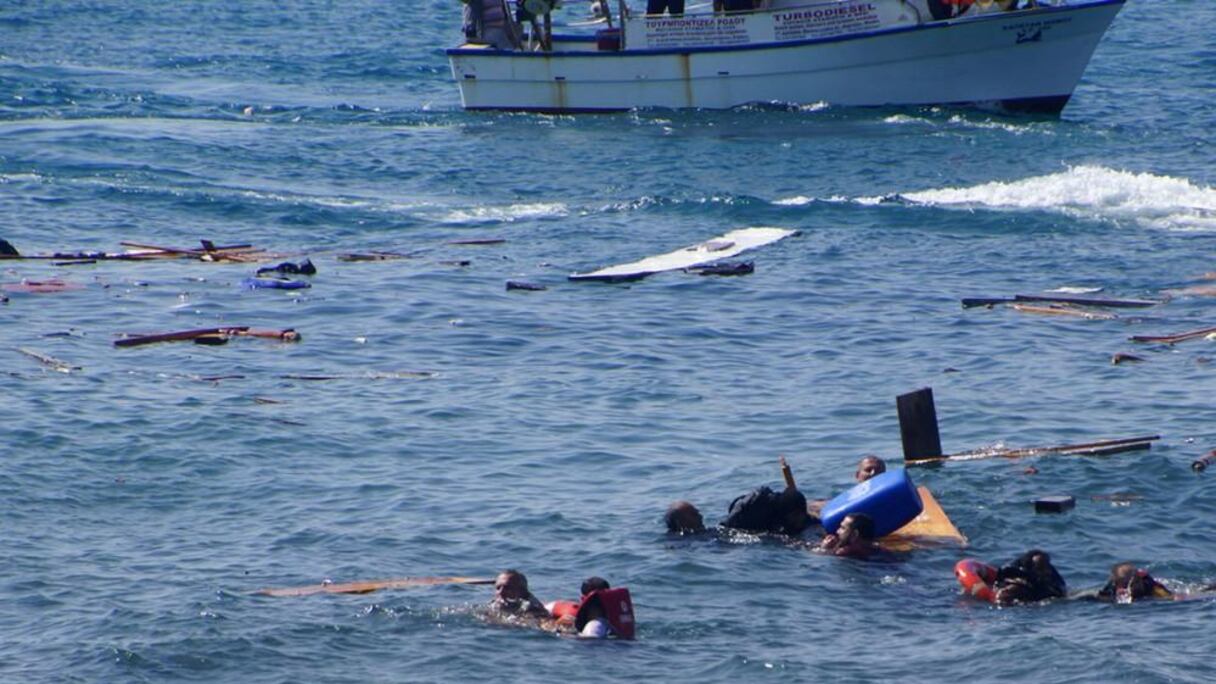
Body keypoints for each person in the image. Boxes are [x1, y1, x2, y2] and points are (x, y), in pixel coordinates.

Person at [721, 484, 810, 537]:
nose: (800, 520)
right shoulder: (756, 504)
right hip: (739, 524)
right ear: (792, 513)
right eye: (797, 517)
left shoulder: (785, 510)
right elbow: (725, 527)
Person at [991, 549, 1067, 605]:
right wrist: (997, 585)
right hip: (1023, 581)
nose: (1042, 572)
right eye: (1039, 569)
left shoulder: (1050, 573)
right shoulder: (1017, 567)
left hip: (1036, 591)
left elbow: (1061, 587)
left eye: (1043, 569)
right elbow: (1003, 571)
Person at [1096, 563, 1173, 603]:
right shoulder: (1113, 584)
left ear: (1133, 580)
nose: (1120, 587)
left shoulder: (1148, 585)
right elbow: (1102, 596)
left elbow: (1170, 597)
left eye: (1124, 584)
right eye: (1117, 583)